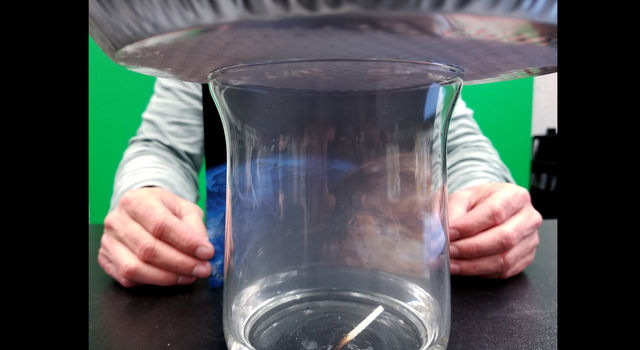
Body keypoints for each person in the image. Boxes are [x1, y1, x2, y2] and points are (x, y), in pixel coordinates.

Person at [98, 77, 542, 288]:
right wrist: (146, 198)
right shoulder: (200, 40)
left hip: (396, 287)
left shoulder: (411, 31)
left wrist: (487, 204)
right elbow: (161, 147)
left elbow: (460, 142)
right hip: (248, 289)